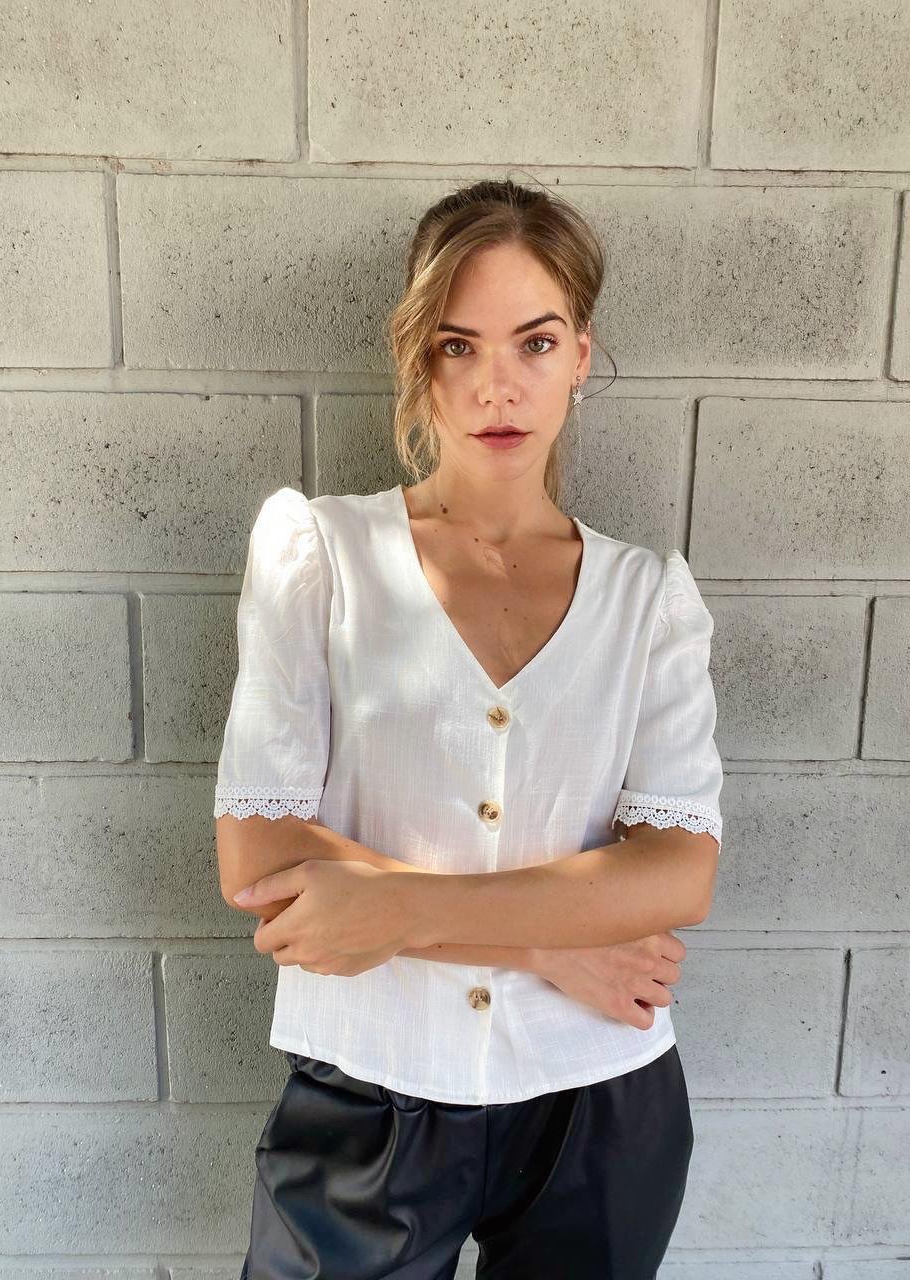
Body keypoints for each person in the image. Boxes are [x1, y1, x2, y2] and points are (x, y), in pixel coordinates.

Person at [214, 177, 724, 1280]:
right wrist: (545, 942)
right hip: (370, 1085)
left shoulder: (648, 599)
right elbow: (259, 855)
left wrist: (392, 906)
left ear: (581, 354)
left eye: (535, 341)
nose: (499, 384)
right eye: (458, 345)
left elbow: (678, 871)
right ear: (418, 357)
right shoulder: (320, 556)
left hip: (600, 1099)